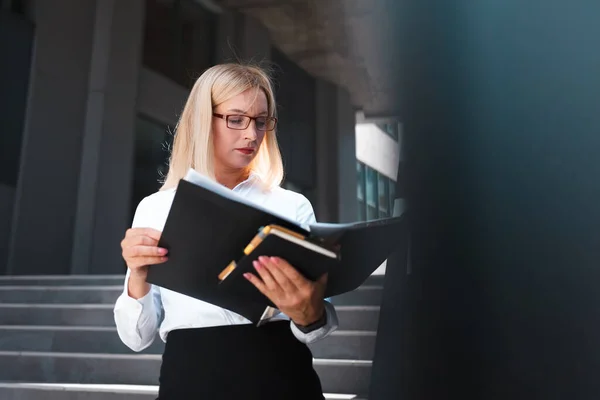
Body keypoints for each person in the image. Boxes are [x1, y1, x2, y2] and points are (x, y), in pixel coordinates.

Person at [113, 63, 339, 400]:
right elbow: (136, 338)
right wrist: (138, 275)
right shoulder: (155, 208)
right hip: (190, 377)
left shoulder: (292, 206)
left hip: (280, 374)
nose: (252, 134)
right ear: (204, 119)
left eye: (261, 121)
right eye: (236, 119)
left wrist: (310, 315)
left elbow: (315, 329)